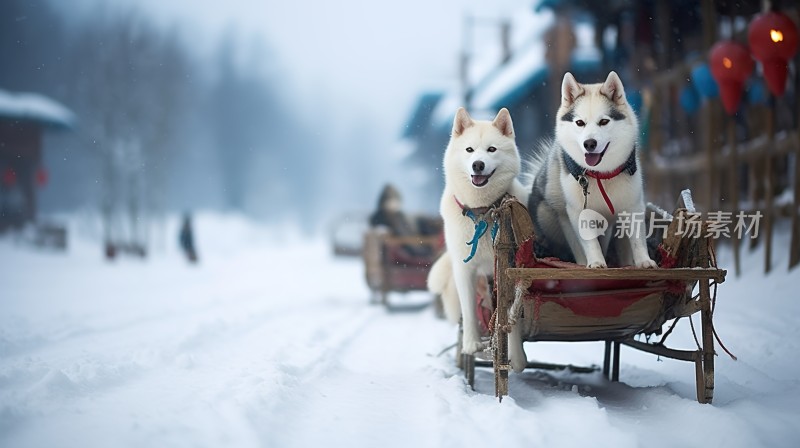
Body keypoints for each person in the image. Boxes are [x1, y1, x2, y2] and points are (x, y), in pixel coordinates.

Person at [369, 184, 431, 257]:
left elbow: (407, 233)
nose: (392, 206)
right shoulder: (378, 217)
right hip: (395, 248)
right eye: (390, 202)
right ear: (383, 203)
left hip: (408, 244)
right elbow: (376, 228)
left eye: (395, 202)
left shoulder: (400, 217)